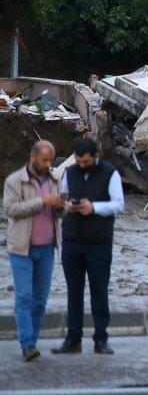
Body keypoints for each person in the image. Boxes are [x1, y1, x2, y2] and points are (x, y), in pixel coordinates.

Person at [53, 138, 124, 356]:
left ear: (95, 157)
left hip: (99, 243)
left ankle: (100, 339)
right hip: (72, 241)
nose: (81, 165)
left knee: (99, 292)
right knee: (74, 293)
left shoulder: (110, 173)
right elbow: (64, 202)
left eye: (85, 161)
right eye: (78, 161)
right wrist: (64, 207)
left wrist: (92, 207)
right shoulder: (70, 172)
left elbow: (118, 205)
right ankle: (73, 339)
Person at [4, 141, 63, 361]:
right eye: (44, 160)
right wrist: (41, 201)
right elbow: (10, 209)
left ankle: (33, 340)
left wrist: (60, 207)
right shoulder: (14, 181)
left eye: (51, 160)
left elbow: (61, 213)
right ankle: (27, 344)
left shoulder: (55, 180)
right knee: (24, 296)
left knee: (40, 299)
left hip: (47, 247)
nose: (48, 164)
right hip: (21, 248)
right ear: (32, 157)